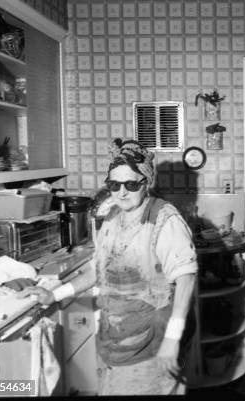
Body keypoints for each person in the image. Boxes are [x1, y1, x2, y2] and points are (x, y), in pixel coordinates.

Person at [21, 138, 198, 395]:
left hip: (152, 345)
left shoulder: (164, 220)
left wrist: (173, 337)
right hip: (114, 342)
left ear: (146, 183)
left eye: (131, 184)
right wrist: (53, 294)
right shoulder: (114, 216)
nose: (122, 192)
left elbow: (186, 277)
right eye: (114, 185)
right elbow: (98, 269)